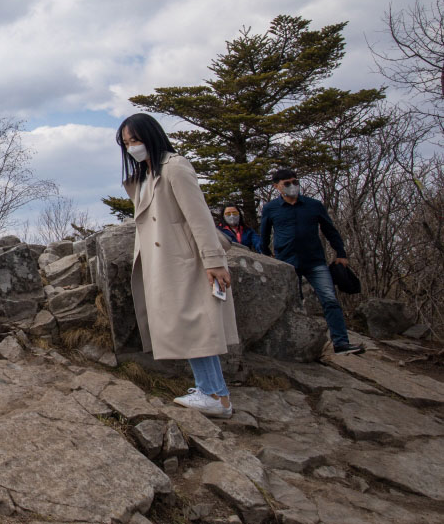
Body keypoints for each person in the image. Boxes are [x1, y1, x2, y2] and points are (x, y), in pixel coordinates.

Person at [119, 113, 238, 419]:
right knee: (191, 326)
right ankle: (210, 390)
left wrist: (212, 260)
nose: (132, 147)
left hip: (185, 261)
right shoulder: (144, 177)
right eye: (127, 143)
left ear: (151, 136)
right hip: (165, 262)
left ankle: (216, 395)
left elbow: (197, 215)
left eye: (136, 140)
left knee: (196, 325)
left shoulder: (174, 166)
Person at [259, 169, 365, 355]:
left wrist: (341, 253)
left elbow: (330, 230)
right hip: (286, 263)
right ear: (277, 186)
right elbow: (264, 235)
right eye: (287, 183)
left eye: (295, 182)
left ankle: (341, 343)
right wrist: (267, 258)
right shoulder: (270, 208)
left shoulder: (313, 205)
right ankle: (294, 346)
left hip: (315, 260)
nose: (293, 186)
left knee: (330, 300)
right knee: (292, 304)